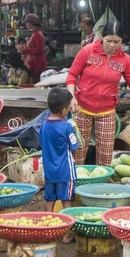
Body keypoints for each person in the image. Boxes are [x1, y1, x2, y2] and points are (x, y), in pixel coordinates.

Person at [67, 21, 130, 166]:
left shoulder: (125, 60)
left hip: (107, 112)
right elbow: (72, 75)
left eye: (117, 42)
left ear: (122, 40)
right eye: (109, 41)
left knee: (105, 157)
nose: (112, 45)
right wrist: (71, 96)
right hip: (82, 109)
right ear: (102, 38)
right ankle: (75, 184)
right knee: (78, 152)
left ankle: (100, 186)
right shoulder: (87, 51)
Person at [39, 88, 78, 244]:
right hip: (65, 172)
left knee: (50, 199)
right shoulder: (67, 127)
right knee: (67, 201)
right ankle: (67, 234)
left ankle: (48, 230)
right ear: (64, 110)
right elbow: (74, 147)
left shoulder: (43, 125)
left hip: (49, 172)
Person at [21, 14, 46, 83]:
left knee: (36, 81)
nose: (26, 25)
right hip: (35, 62)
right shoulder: (35, 34)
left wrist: (25, 51)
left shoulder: (37, 35)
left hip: (37, 63)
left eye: (27, 23)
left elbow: (39, 50)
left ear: (31, 23)